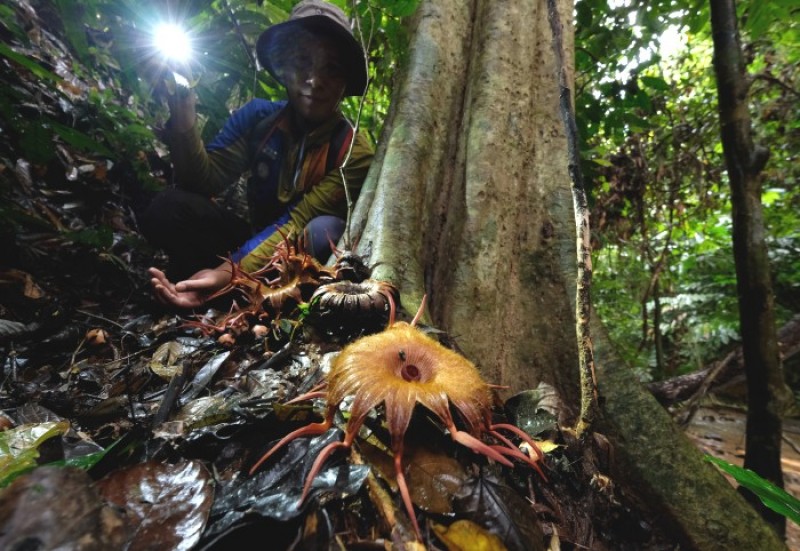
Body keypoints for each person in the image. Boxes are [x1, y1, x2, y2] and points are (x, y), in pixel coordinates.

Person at [141, 0, 373, 310]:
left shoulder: (352, 151)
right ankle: (209, 285)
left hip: (302, 262)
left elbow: (299, 222)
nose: (314, 81)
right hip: (253, 245)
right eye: (302, 61)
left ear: (345, 83)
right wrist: (183, 116)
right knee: (168, 208)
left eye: (331, 69)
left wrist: (225, 273)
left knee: (323, 230)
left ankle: (225, 290)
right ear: (282, 67)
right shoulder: (258, 119)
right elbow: (202, 182)